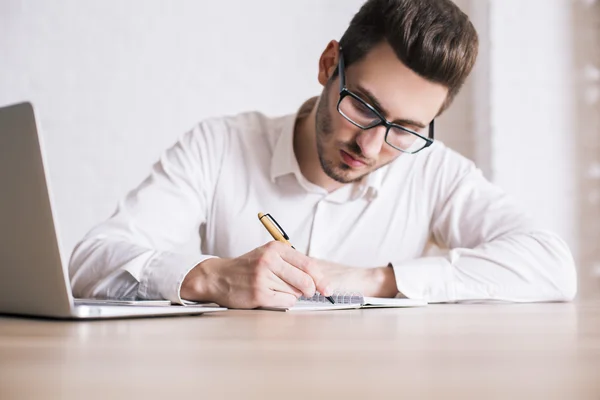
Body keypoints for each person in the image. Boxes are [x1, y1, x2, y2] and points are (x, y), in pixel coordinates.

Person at [69, 0, 577, 309]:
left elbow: (552, 266)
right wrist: (214, 276)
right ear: (329, 64)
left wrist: (377, 279)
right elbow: (91, 262)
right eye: (363, 106)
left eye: (406, 128)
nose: (371, 146)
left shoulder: (433, 170)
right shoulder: (219, 146)